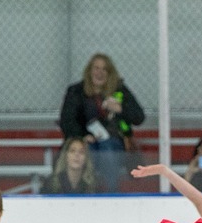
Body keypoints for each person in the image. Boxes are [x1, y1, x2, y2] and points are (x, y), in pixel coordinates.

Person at [58, 54, 142, 190]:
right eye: (96, 68)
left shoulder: (119, 90)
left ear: (110, 73)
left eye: (104, 69)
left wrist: (121, 109)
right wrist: (82, 136)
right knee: (85, 151)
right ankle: (85, 192)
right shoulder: (76, 91)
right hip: (86, 141)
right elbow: (67, 120)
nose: (100, 73)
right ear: (89, 71)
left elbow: (139, 117)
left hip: (113, 143)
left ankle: (111, 193)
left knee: (107, 149)